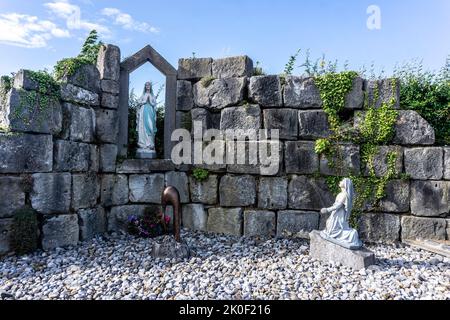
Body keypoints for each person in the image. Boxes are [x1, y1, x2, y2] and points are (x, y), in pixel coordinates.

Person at [320, 178, 363, 249]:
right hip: (336, 213)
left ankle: (352, 235)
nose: (340, 181)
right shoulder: (341, 194)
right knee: (329, 225)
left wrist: (327, 210)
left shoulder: (344, 195)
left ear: (346, 184)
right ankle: (349, 235)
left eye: (342, 181)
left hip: (339, 215)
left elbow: (338, 205)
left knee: (333, 230)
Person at [137, 82, 157, 156]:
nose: (147, 86)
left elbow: (154, 105)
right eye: (146, 85)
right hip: (143, 112)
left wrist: (151, 102)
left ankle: (150, 144)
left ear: (150, 86)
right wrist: (144, 101)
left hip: (150, 112)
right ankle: (143, 144)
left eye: (149, 85)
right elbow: (139, 103)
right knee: (143, 128)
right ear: (145, 86)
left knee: (150, 127)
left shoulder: (153, 95)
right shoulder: (143, 95)